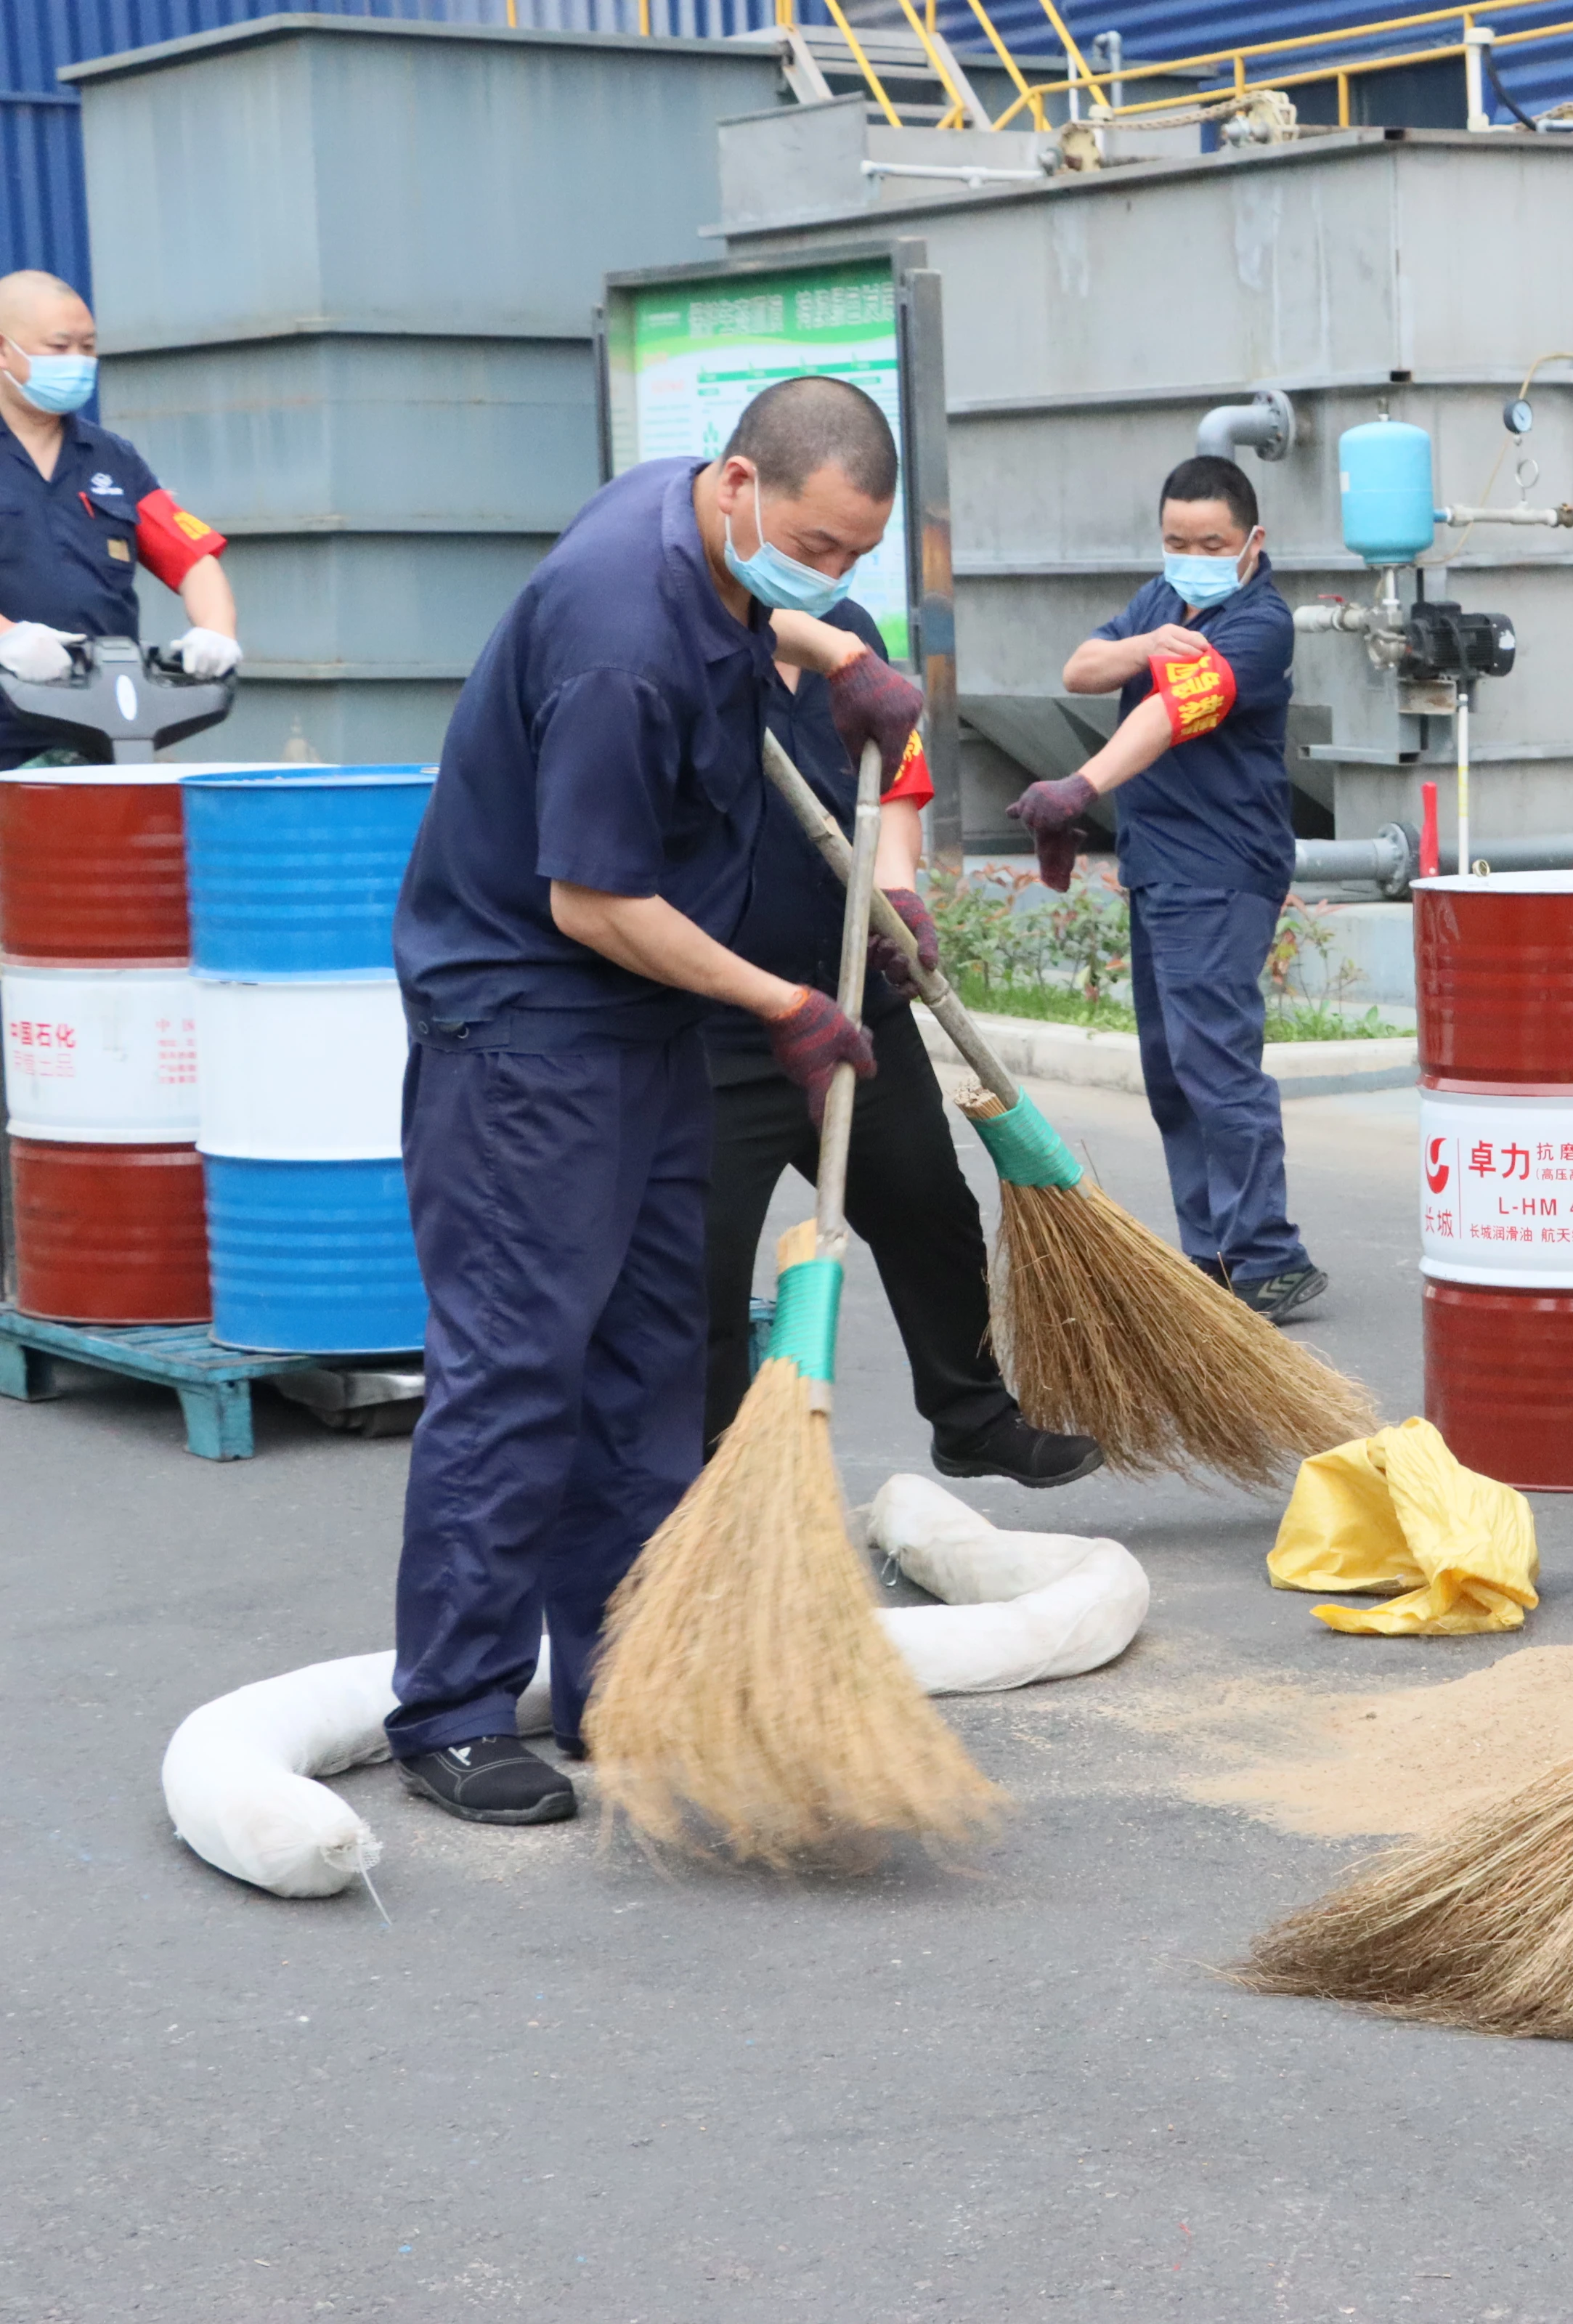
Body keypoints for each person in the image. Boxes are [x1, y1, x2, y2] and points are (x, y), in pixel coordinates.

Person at [387, 375, 916, 1826]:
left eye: (854, 559)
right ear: (741, 488)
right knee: (518, 1370)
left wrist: (822, 645)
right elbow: (595, 900)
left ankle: (623, 1673)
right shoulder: (617, 634)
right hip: (528, 1031)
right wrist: (781, 1002)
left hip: (643, 1024)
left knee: (645, 1366)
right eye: (811, 550)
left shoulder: (696, 520)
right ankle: (450, 1707)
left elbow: (747, 620)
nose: (827, 576)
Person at [700, 588, 1102, 1489]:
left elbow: (893, 784)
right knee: (700, 1263)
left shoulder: (851, 635)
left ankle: (972, 1416)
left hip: (850, 1000)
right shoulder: (695, 639)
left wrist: (898, 898)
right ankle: (712, 1481)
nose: (821, 566)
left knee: (930, 1209)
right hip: (719, 1023)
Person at [1011, 453, 1324, 1323]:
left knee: (1214, 1063)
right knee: (1171, 1071)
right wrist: (1142, 643)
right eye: (1175, 540)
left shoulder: (1260, 623)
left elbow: (1163, 711)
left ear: (1253, 541)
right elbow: (1081, 668)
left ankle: (1269, 1254)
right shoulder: (1162, 602)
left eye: (1211, 541)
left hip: (1222, 870)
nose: (1191, 554)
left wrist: (1081, 786)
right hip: (1159, 865)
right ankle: (1211, 1253)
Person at [0, 269, 243, 767]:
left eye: (87, 348)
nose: (79, 363)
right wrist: (9, 639)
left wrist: (216, 631)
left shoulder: (111, 458)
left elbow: (191, 557)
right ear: (5, 352)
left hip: (105, 734)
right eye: (59, 347)